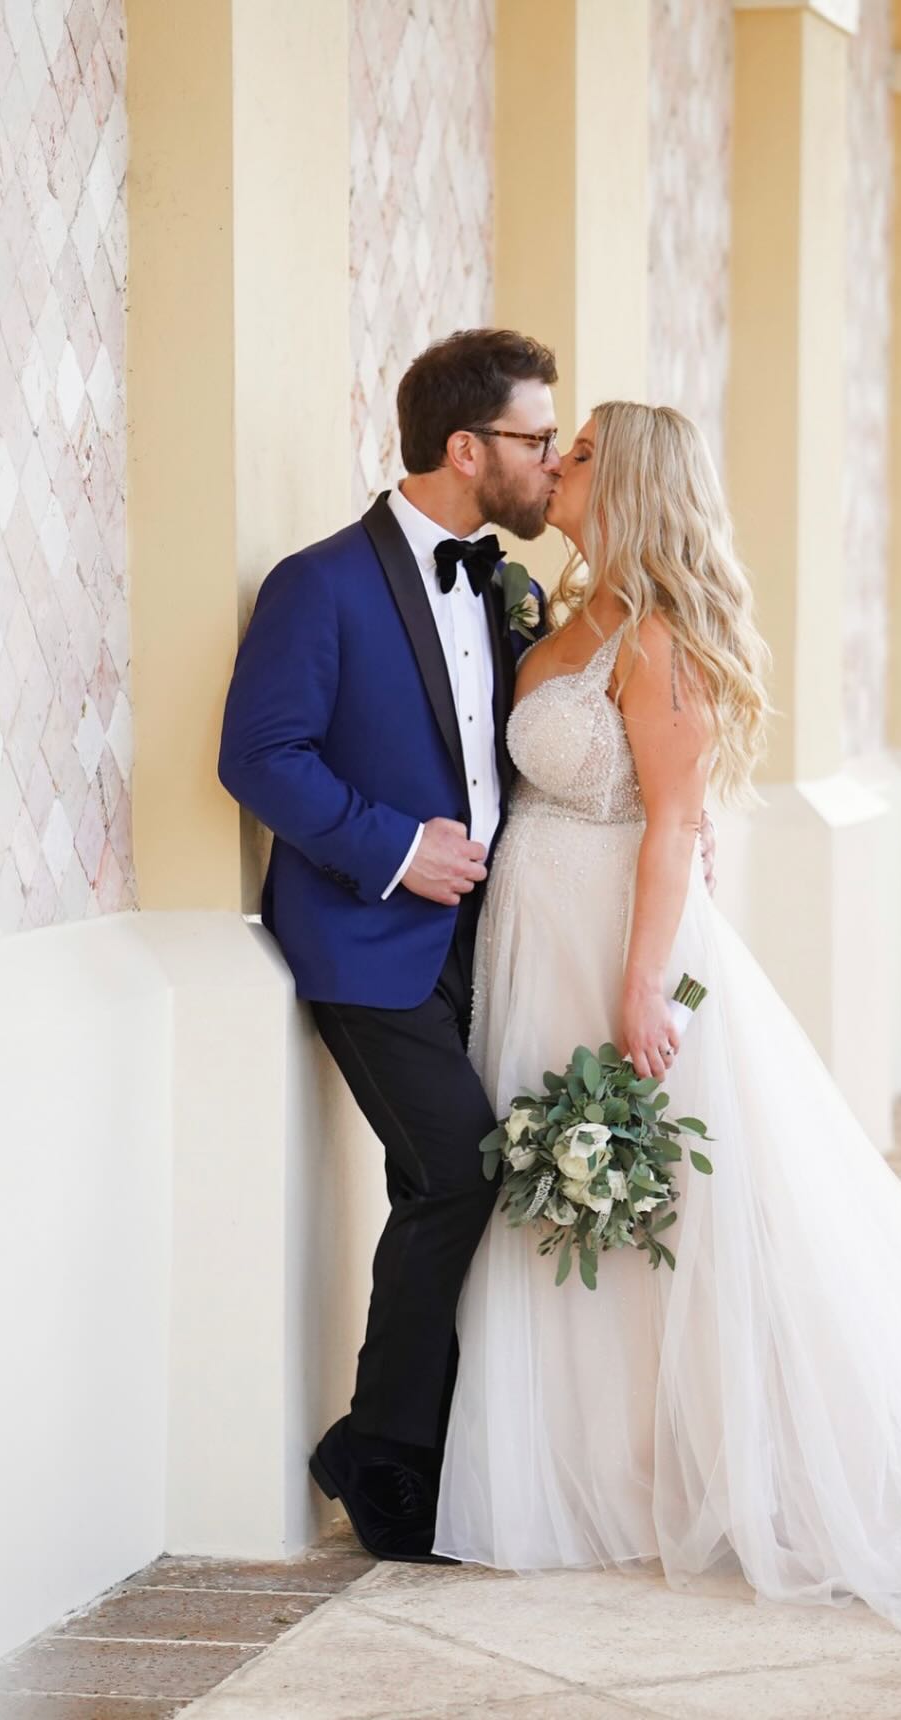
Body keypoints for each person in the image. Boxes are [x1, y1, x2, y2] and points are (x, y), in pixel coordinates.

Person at [432, 399, 901, 1637]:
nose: (557, 464)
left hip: (615, 946)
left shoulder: (658, 635)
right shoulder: (563, 609)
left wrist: (643, 986)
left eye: (583, 451)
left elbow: (674, 821)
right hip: (534, 939)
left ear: (632, 482)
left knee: (653, 1201)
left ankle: (686, 1467)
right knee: (565, 1202)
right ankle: (594, 1466)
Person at [217, 328, 718, 1564]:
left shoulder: (515, 590)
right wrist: (395, 848)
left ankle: (454, 1450)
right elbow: (260, 757)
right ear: (464, 448)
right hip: (367, 941)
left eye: (562, 445)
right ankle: (381, 1453)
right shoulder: (318, 584)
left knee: (468, 1188)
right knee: (458, 1170)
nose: (553, 462)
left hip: (502, 946)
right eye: (538, 439)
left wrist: (675, 827)